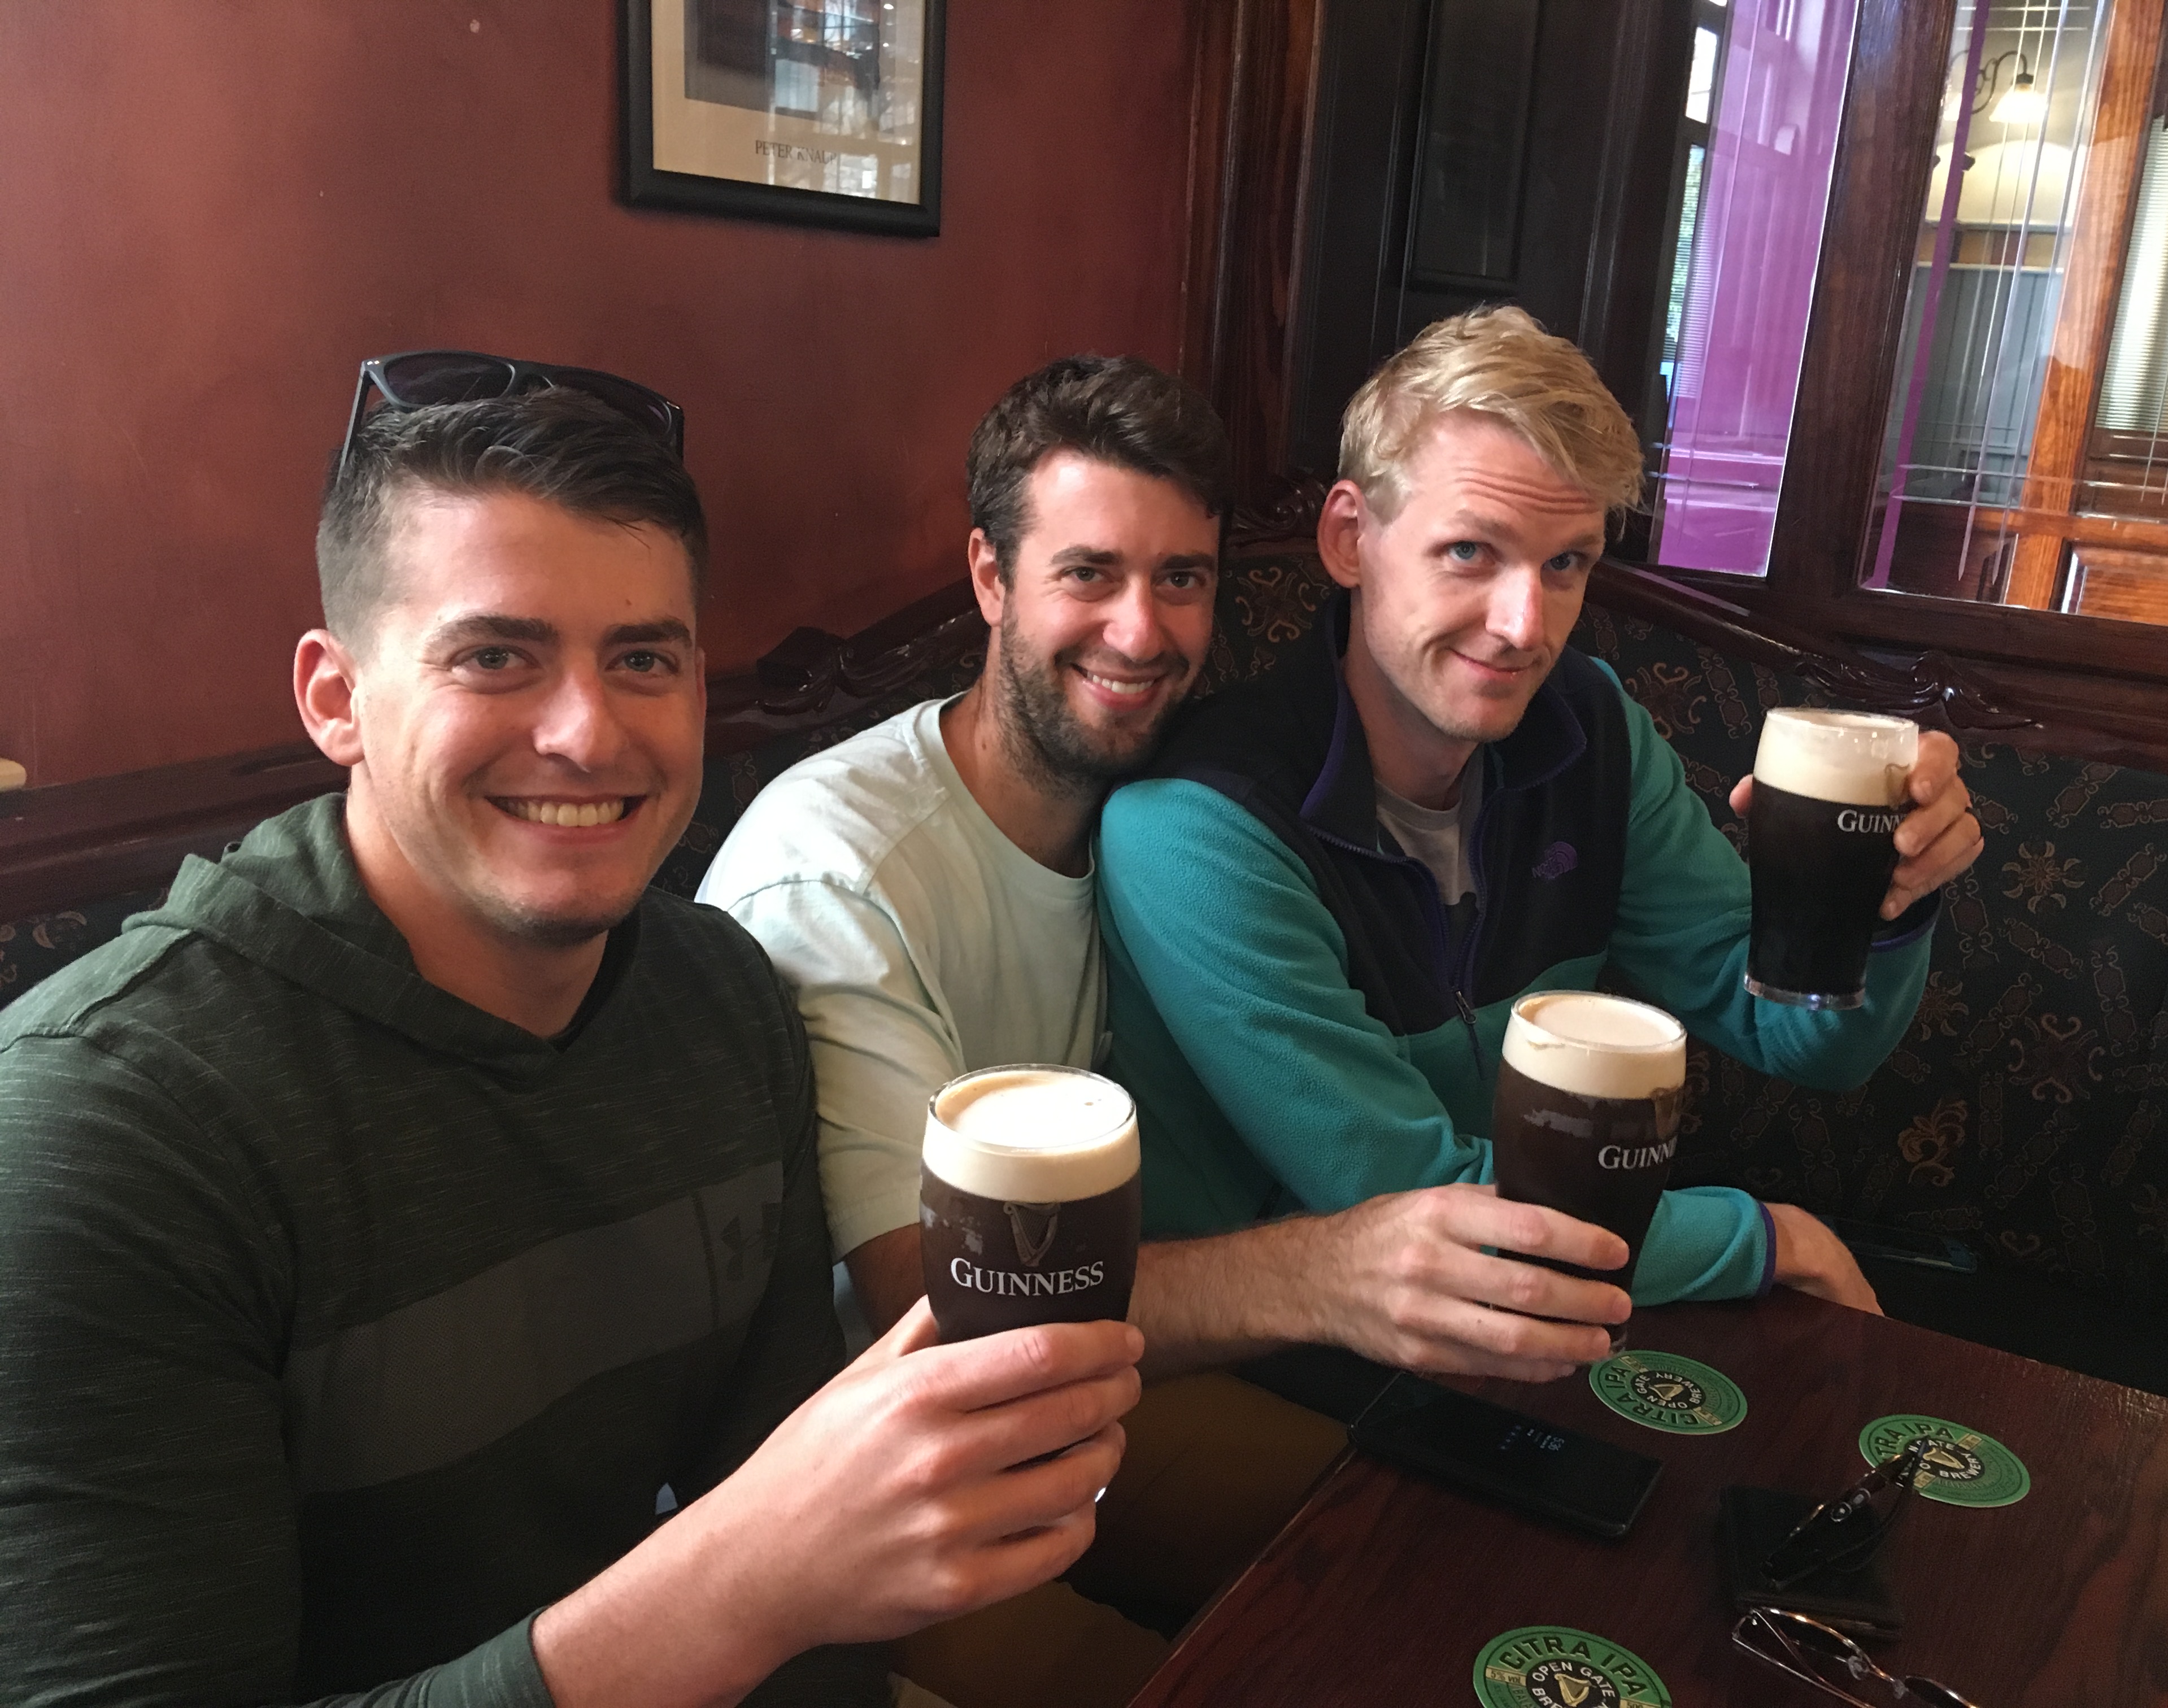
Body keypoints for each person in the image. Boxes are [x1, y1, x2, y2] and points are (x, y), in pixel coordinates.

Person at [0, 367, 1142, 1708]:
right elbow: (769, 1564)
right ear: (335, 697)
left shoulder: (722, 999)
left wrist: (789, 1576)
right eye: (496, 656)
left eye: (643, 659)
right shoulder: (102, 1133)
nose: (587, 733)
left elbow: (801, 1567)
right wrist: (743, 1581)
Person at [1096, 306, 1986, 1360]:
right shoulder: (1196, 830)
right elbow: (1413, 1209)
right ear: (1350, 539)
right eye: (1470, 551)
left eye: (1566, 564)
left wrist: (1884, 898)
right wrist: (1763, 1240)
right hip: (1262, 1364)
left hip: (1506, 1328)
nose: (1525, 625)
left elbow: (1799, 1038)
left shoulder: (1590, 732)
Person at [702, 355, 1349, 1708]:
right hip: (865, 1466)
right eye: (1090, 574)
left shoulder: (1165, 821)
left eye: (1182, 579)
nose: (1142, 631)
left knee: (1389, 1543)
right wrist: (1339, 1275)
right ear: (991, 578)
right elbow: (936, 1303)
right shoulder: (837, 874)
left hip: (1079, 1388)